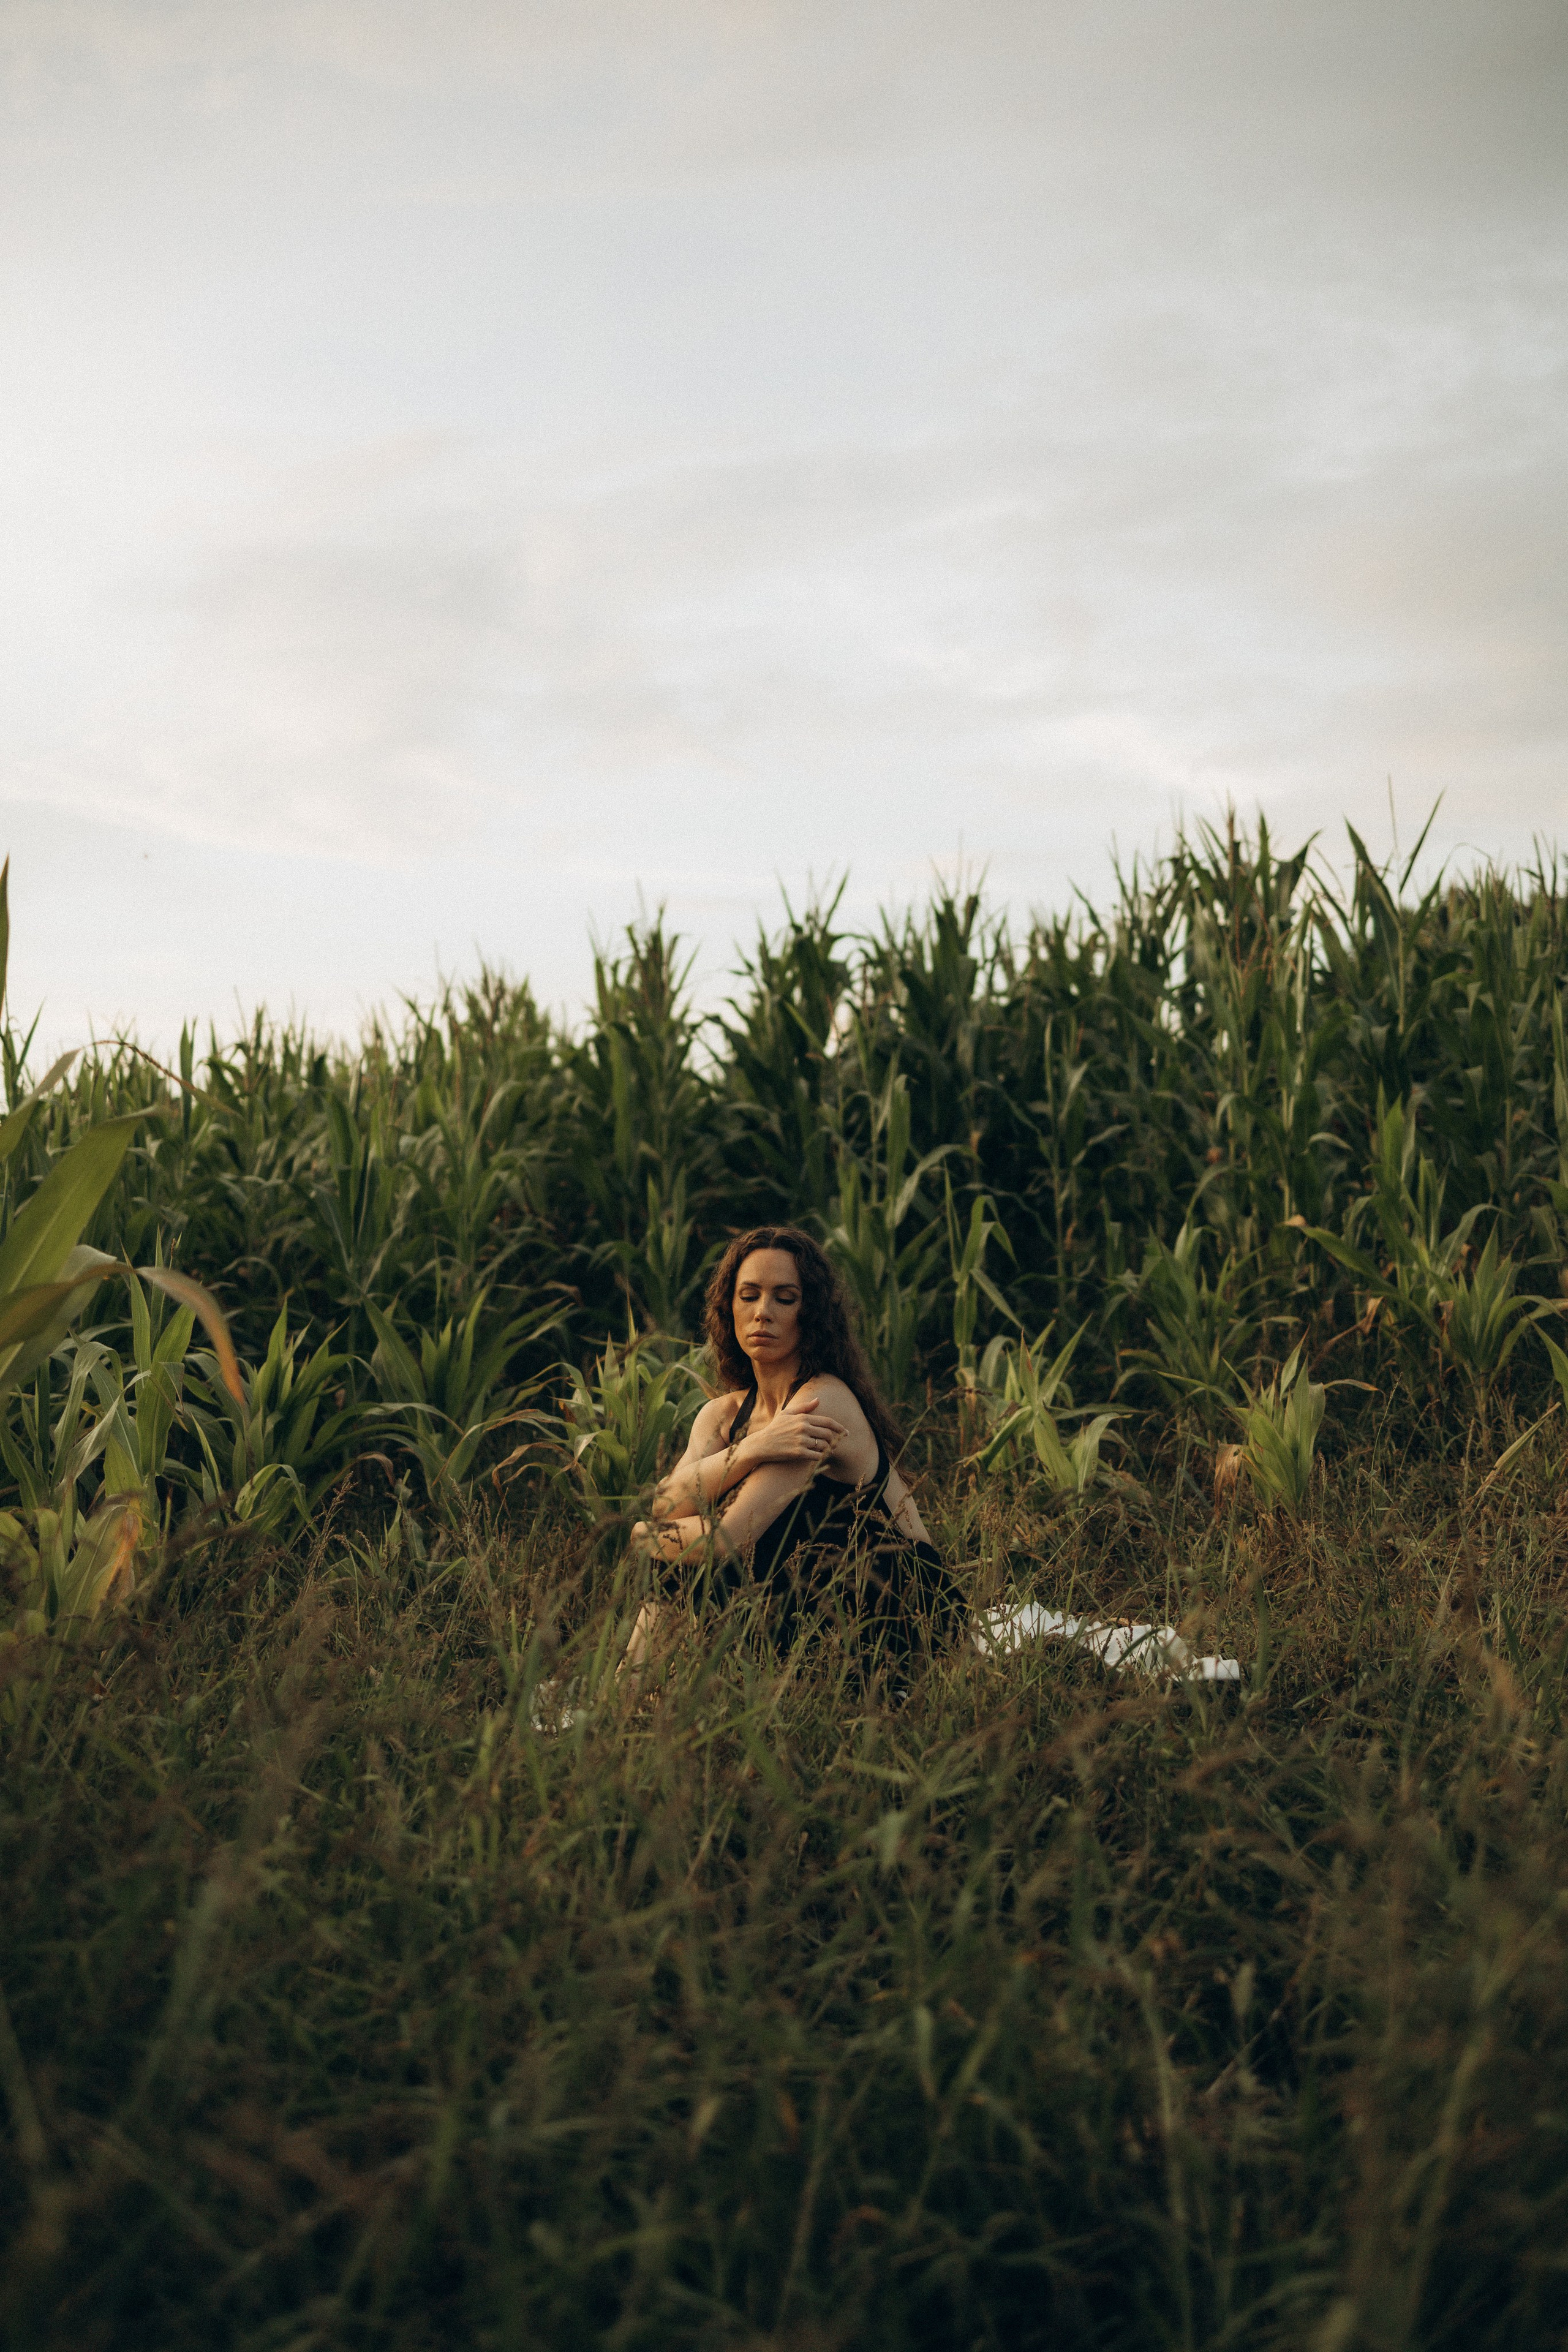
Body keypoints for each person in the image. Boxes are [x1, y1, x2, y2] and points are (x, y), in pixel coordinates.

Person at [622, 1224, 959, 1687]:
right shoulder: (721, 1417)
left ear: (812, 1312)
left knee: (694, 1561)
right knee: (681, 1565)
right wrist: (751, 1449)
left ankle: (626, 1701)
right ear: (729, 1308)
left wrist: (642, 1535)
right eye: (749, 1295)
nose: (763, 1313)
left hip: (896, 1608)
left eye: (785, 1298)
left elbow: (725, 1539)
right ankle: (628, 1701)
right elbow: (665, 1507)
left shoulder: (822, 1402)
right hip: (809, 1598)